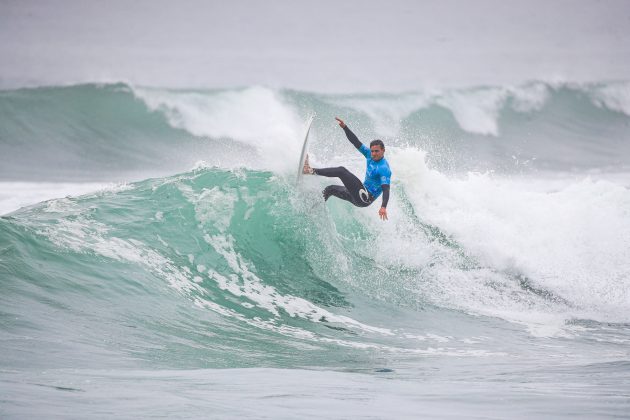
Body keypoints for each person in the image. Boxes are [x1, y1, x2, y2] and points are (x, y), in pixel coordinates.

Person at [303, 117, 391, 220]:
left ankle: (309, 170)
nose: (374, 154)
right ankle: (312, 212)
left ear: (383, 150)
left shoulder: (384, 168)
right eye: (372, 151)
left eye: (377, 151)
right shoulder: (369, 155)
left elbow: (386, 189)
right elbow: (356, 142)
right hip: (358, 194)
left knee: (341, 171)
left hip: (365, 198)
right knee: (330, 189)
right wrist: (345, 127)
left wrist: (383, 207)